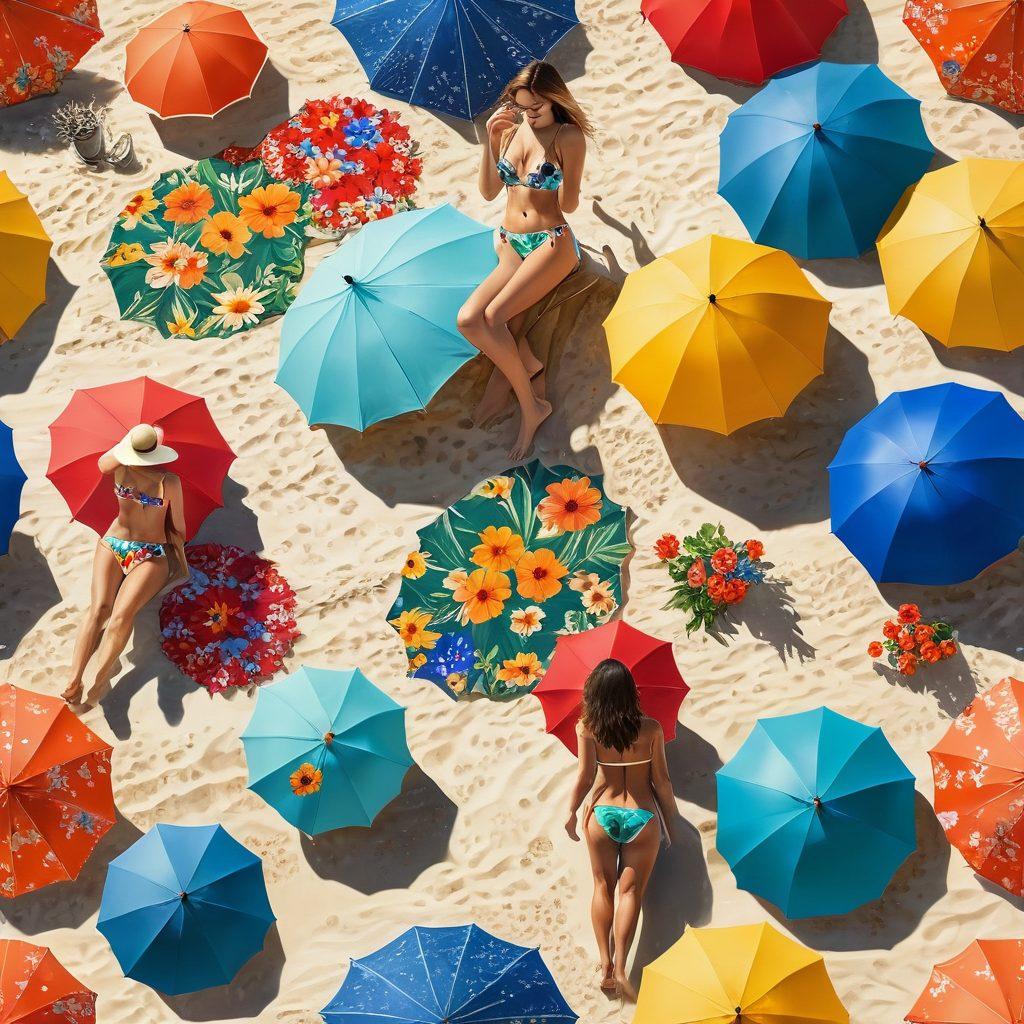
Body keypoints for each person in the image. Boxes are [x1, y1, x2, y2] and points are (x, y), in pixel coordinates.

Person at [458, 60, 591, 461]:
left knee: (496, 316)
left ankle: (531, 407)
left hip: (551, 241)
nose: (529, 114)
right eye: (522, 107)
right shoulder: (512, 131)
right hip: (510, 241)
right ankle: (528, 367)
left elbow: (569, 203)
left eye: (536, 107)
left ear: (553, 98)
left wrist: (563, 175)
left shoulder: (568, 136)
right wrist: (489, 140)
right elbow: (487, 193)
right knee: (467, 320)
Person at [565, 659, 676, 1000]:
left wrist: (571, 814)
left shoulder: (587, 728)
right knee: (630, 892)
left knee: (603, 887)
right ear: (630, 692)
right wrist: (669, 823)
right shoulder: (651, 729)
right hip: (641, 816)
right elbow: (662, 781)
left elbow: (585, 777)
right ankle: (624, 964)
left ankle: (605, 966)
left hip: (603, 814)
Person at [62, 423, 186, 706]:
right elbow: (180, 527)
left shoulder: (116, 467)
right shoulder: (169, 481)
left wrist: (130, 439)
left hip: (113, 543)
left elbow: (104, 460)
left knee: (97, 610)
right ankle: (99, 681)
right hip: (149, 551)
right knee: (121, 617)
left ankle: (73, 677)